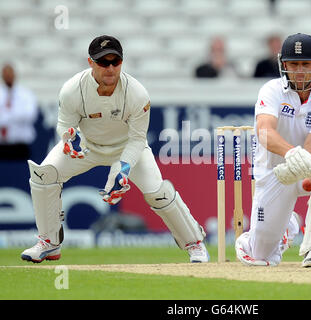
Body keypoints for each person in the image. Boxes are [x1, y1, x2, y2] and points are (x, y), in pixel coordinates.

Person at [21, 35, 209, 263]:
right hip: (87, 146)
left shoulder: (137, 93)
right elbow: (64, 125)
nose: (110, 68)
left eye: (115, 62)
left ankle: (195, 243)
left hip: (128, 148)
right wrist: (68, 138)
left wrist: (123, 167)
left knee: (158, 193)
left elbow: (138, 139)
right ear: (90, 62)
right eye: (103, 62)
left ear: (122, 62)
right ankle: (49, 243)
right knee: (43, 175)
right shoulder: (72, 89)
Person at [235, 33, 311, 268]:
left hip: (307, 165)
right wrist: (291, 153)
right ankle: (286, 226)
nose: (300, 70)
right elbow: (265, 132)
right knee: (260, 256)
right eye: (294, 64)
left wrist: (307, 168)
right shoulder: (270, 91)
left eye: (305, 64)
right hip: (272, 172)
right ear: (284, 65)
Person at [0, 63, 38, 160]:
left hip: (20, 145)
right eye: (6, 74)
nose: (8, 76)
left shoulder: (26, 94)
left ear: (14, 75)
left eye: (10, 73)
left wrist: (6, 115)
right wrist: (15, 114)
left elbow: (30, 115)